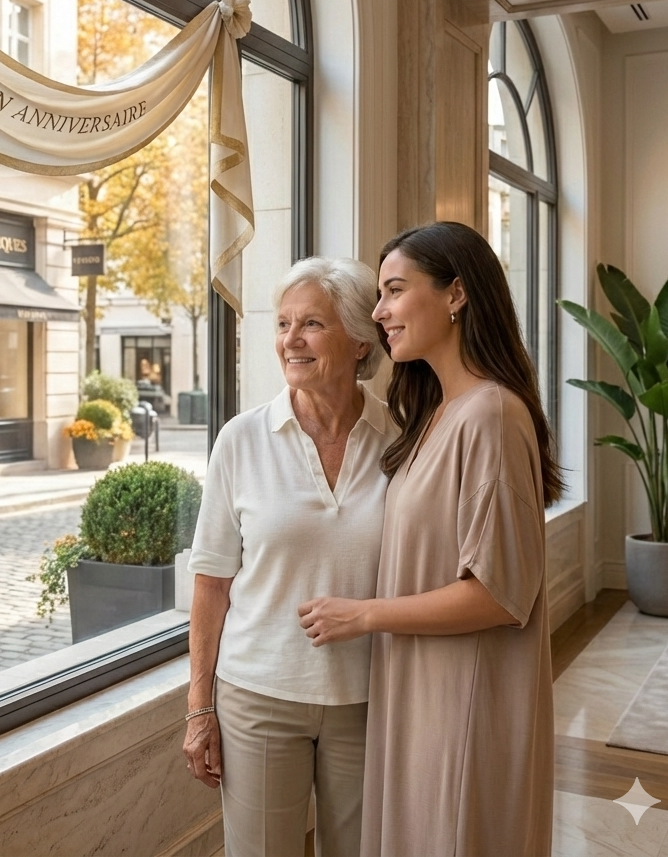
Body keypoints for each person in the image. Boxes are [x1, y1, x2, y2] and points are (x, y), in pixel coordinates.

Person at [297, 222, 561, 857]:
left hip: (465, 700)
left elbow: (500, 597)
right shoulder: (436, 412)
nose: (379, 311)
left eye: (393, 290)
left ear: (456, 295)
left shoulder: (492, 415)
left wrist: (363, 614)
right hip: (421, 691)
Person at [183, 256, 398, 857]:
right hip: (259, 695)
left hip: (368, 695)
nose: (290, 341)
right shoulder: (241, 439)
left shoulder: (401, 439)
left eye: (311, 325)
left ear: (360, 341)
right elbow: (211, 584)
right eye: (282, 325)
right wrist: (200, 707)